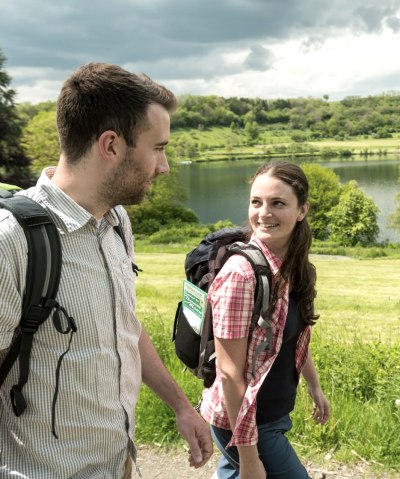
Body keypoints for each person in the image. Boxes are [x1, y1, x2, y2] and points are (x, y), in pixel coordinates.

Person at [0, 63, 212, 478]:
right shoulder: (12, 242)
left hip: (119, 463)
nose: (164, 166)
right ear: (111, 145)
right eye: (158, 148)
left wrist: (182, 406)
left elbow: (123, 325)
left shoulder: (116, 222)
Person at [200, 161, 330, 479]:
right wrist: (248, 457)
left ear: (302, 210)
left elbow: (292, 338)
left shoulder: (292, 268)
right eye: (256, 202)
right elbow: (229, 373)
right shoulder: (241, 274)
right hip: (245, 425)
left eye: (278, 203)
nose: (264, 213)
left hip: (271, 415)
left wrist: (314, 387)